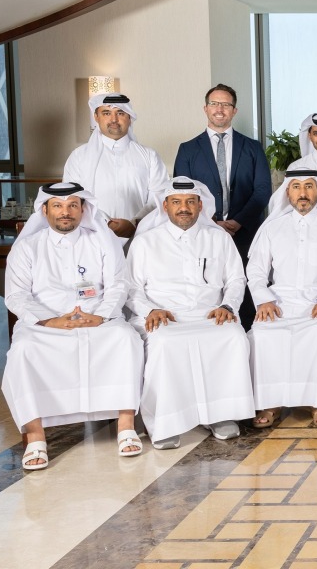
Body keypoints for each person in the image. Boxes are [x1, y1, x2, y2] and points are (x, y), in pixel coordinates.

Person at [1, 183, 144, 470]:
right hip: (44, 324)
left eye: (72, 206)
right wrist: (49, 320)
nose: (65, 212)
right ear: (45, 210)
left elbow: (119, 284)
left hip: (97, 318)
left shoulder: (102, 241)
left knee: (125, 338)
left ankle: (126, 425)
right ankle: (35, 437)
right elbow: (16, 295)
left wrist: (101, 316)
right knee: (23, 350)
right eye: (57, 206)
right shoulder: (28, 247)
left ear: (83, 210)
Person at [126, 178, 253, 448]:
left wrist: (228, 305)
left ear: (200, 206)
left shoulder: (219, 238)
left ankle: (221, 414)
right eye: (176, 202)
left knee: (233, 337)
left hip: (210, 315)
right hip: (164, 317)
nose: (183, 208)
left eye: (190, 202)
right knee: (164, 343)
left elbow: (236, 280)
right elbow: (131, 288)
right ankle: (165, 422)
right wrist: (150, 309)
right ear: (165, 207)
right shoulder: (145, 242)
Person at [246, 169, 317, 429]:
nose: (302, 193)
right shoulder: (272, 226)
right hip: (279, 300)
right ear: (287, 192)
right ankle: (271, 403)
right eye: (296, 186)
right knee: (261, 334)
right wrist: (264, 300)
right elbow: (256, 271)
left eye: (308, 186)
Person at [174, 83, 272, 326]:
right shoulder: (187, 150)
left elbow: (262, 191)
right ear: (205, 109)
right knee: (210, 284)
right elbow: (182, 195)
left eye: (226, 104)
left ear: (234, 111)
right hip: (204, 232)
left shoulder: (253, 147)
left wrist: (237, 221)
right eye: (215, 104)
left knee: (247, 285)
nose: (220, 109)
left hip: (246, 232)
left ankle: (248, 336)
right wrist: (212, 223)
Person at [63, 93, 169, 240]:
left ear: (130, 118)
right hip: (93, 236)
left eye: (120, 113)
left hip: (140, 237)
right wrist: (106, 223)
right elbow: (72, 199)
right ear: (96, 117)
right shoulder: (79, 156)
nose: (114, 119)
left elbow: (159, 197)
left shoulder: (149, 156)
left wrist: (134, 224)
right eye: (106, 113)